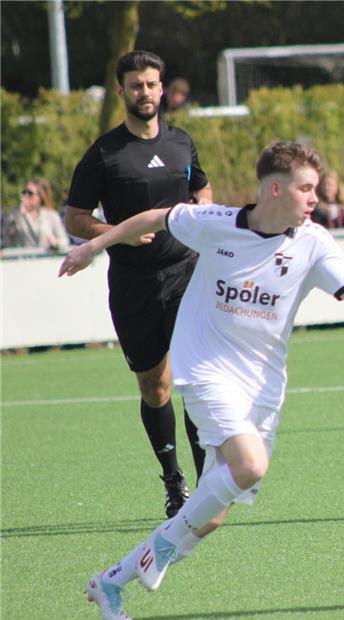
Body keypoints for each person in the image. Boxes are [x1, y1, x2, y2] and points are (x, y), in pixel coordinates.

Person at [61, 141, 344, 620]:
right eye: (306, 188)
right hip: (207, 370)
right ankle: (163, 547)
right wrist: (93, 245)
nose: (315, 197)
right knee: (250, 465)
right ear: (276, 188)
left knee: (211, 515)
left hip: (263, 387)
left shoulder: (313, 241)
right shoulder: (214, 222)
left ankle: (110, 581)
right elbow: (153, 217)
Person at [64, 50, 214, 518]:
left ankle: (210, 482)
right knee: (155, 387)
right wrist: (117, 238)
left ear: (161, 88)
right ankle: (174, 481)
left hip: (185, 273)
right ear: (122, 91)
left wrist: (200, 218)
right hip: (133, 285)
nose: (144, 93)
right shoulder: (104, 153)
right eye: (135, 85)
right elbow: (74, 218)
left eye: (151, 84)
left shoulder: (182, 143)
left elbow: (202, 189)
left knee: (194, 376)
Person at [3, 178, 70, 252]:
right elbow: (6, 239)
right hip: (22, 260)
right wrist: (18, 216)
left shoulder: (51, 215)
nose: (26, 196)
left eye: (30, 193)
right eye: (24, 192)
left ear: (40, 196)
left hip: (47, 260)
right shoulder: (15, 215)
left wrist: (57, 244)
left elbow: (64, 241)